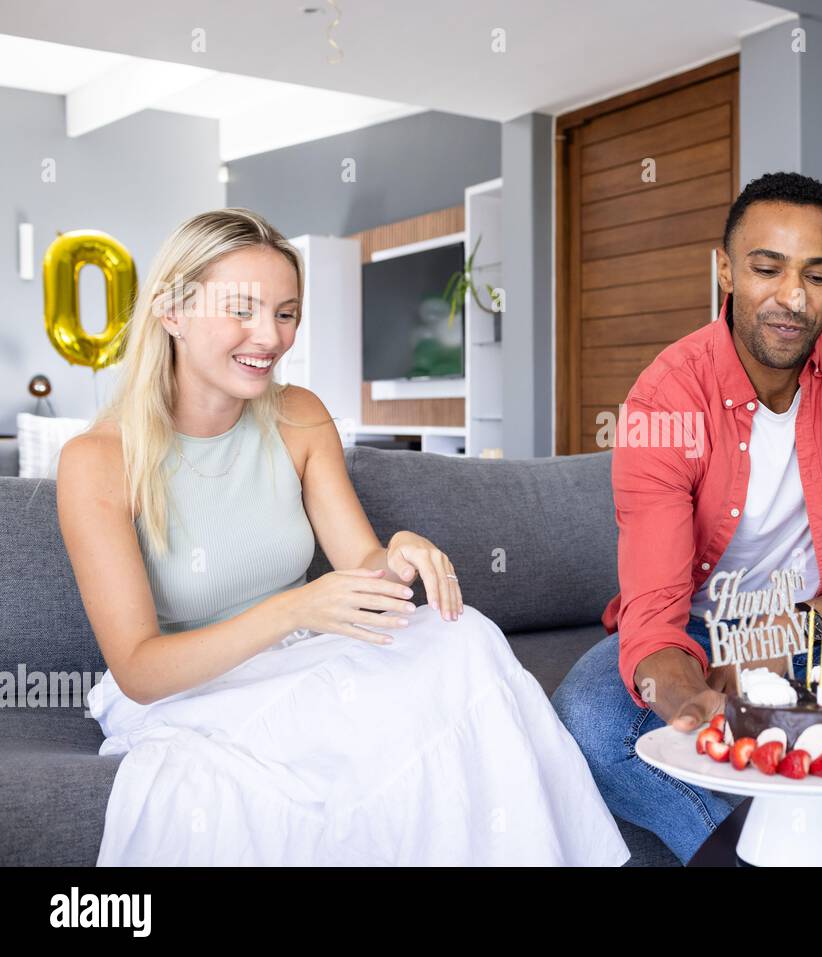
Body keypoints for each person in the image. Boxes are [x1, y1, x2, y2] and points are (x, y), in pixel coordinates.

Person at [58, 208, 629, 866]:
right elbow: (139, 668)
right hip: (189, 693)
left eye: (285, 312)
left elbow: (362, 559)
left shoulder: (298, 415)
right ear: (172, 310)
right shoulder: (98, 461)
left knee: (464, 632)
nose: (269, 337)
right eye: (242, 308)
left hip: (302, 660)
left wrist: (399, 552)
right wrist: (296, 608)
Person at [553, 172, 822, 864]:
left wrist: (788, 629)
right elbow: (652, 614)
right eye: (766, 268)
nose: (793, 298)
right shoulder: (664, 398)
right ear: (724, 269)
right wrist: (697, 701)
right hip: (697, 631)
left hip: (818, 624)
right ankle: (750, 851)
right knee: (588, 721)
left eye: (817, 274)